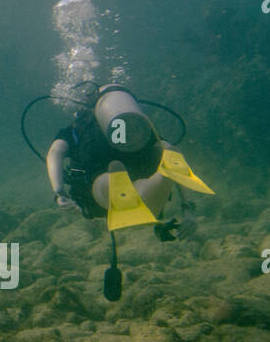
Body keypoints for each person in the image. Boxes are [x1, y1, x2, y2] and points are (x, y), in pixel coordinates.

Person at [45, 84, 213, 241]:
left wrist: (59, 192)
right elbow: (169, 151)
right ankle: (162, 176)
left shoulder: (77, 129)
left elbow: (54, 153)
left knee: (102, 184)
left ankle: (115, 183)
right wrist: (188, 208)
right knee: (148, 190)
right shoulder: (137, 127)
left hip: (96, 191)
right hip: (142, 173)